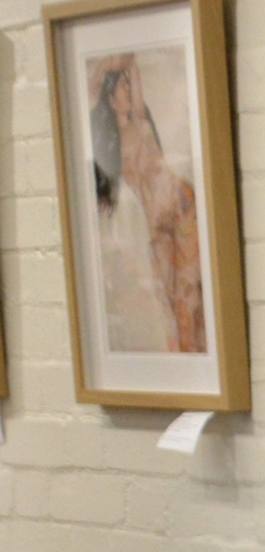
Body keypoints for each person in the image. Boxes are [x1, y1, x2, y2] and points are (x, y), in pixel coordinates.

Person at [90, 54, 207, 352]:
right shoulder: (112, 141)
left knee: (189, 286)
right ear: (111, 100)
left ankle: (197, 352)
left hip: (181, 205)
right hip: (155, 222)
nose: (128, 91)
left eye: (129, 86)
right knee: (167, 292)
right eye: (122, 88)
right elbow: (88, 100)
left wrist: (125, 69)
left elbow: (133, 67)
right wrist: (104, 68)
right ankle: (185, 359)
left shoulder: (141, 120)